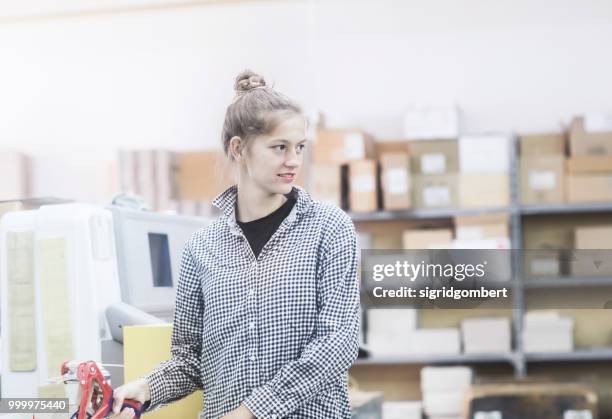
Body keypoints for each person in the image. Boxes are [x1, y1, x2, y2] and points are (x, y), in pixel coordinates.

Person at [110, 70, 360, 418]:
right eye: (279, 147)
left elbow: (339, 343)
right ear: (239, 148)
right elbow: (189, 360)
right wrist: (147, 388)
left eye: (299, 147)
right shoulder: (201, 248)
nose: (294, 161)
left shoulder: (329, 229)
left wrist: (251, 411)